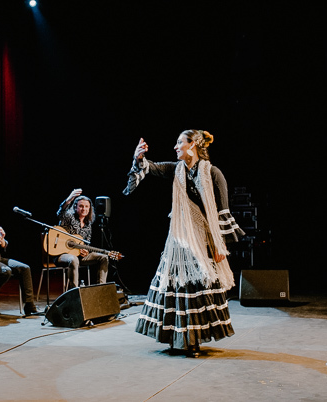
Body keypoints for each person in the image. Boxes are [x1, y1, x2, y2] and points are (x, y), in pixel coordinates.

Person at [123, 130, 244, 357]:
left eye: (180, 142)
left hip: (202, 239)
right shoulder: (176, 170)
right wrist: (139, 159)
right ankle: (176, 338)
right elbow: (152, 167)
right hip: (179, 239)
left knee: (197, 288)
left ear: (193, 146)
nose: (176, 147)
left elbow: (222, 211)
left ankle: (193, 341)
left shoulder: (213, 173)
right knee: (173, 286)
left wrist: (220, 246)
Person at [55, 189, 109, 289]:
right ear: (75, 207)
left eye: (86, 206)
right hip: (62, 255)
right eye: (81, 206)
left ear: (90, 209)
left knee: (104, 257)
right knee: (73, 259)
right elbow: (60, 212)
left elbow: (86, 242)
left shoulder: (88, 224)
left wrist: (86, 250)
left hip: (79, 256)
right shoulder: (69, 217)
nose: (84, 209)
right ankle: (74, 293)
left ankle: (101, 290)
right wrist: (69, 199)